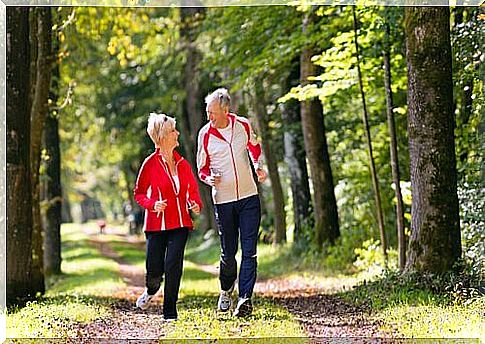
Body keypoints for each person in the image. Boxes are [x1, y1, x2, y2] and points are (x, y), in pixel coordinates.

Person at [197, 88, 267, 317]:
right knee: (229, 254)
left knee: (250, 251)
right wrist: (210, 179)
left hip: (249, 197)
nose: (209, 117)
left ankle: (245, 299)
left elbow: (254, 147)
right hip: (223, 201)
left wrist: (257, 165)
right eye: (208, 113)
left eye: (213, 113)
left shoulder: (243, 125)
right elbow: (202, 169)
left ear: (225, 110)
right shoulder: (205, 134)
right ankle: (226, 290)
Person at [134, 112, 202, 321]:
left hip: (180, 223)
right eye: (173, 130)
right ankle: (151, 290)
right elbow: (138, 193)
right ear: (162, 136)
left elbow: (192, 191)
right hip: (156, 225)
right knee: (154, 272)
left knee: (173, 265)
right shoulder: (150, 164)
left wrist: (195, 204)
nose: (178, 133)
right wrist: (153, 204)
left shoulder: (183, 164)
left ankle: (170, 312)